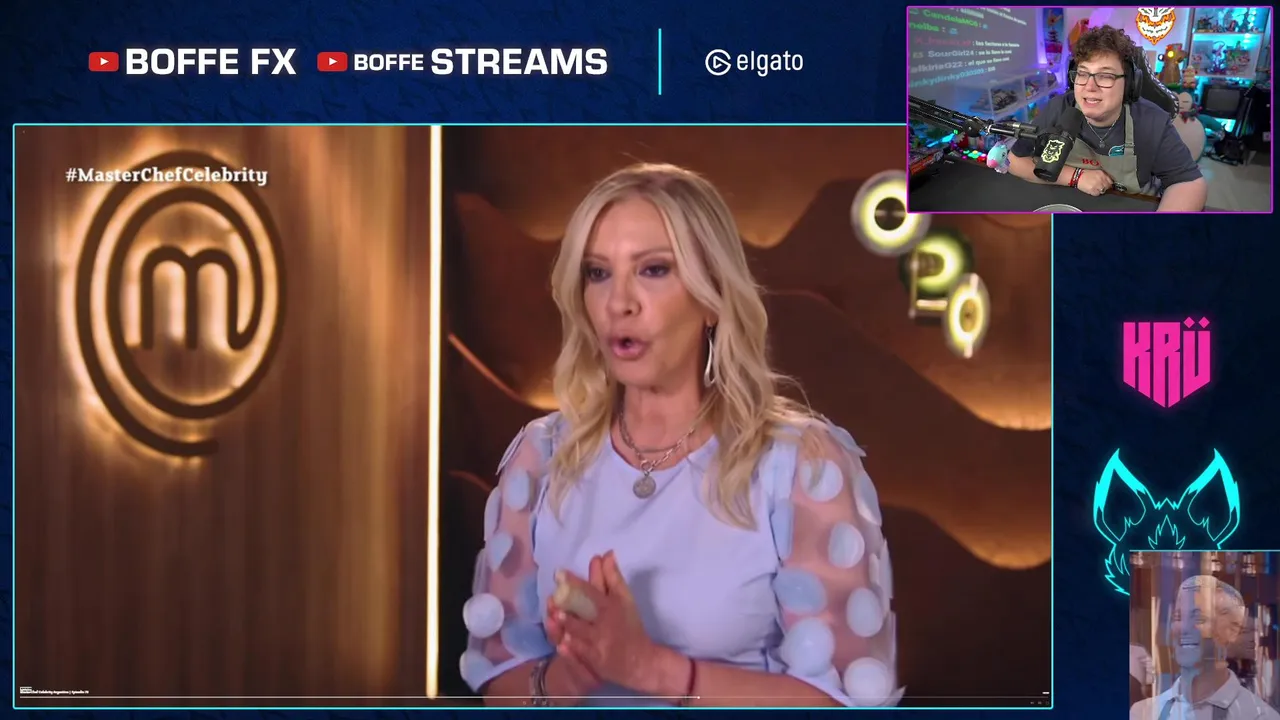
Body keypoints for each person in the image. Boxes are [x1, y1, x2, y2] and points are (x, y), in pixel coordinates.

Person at [458, 163, 899, 707]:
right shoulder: (542, 456)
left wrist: (656, 670)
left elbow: (843, 701)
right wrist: (566, 680)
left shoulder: (800, 464)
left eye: (654, 270)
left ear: (712, 296)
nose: (619, 302)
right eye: (597, 273)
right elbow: (500, 677)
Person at [1007, 25, 1207, 212]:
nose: (1089, 87)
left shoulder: (1151, 121)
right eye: (1083, 74)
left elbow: (1189, 183)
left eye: (1105, 76)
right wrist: (1076, 177)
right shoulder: (1058, 109)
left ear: (1129, 83)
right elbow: (1015, 161)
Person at [1131, 575, 1280, 719]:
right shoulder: (1143, 713)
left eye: (1198, 618)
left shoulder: (1260, 717)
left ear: (1232, 631)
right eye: (1178, 617)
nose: (1183, 628)